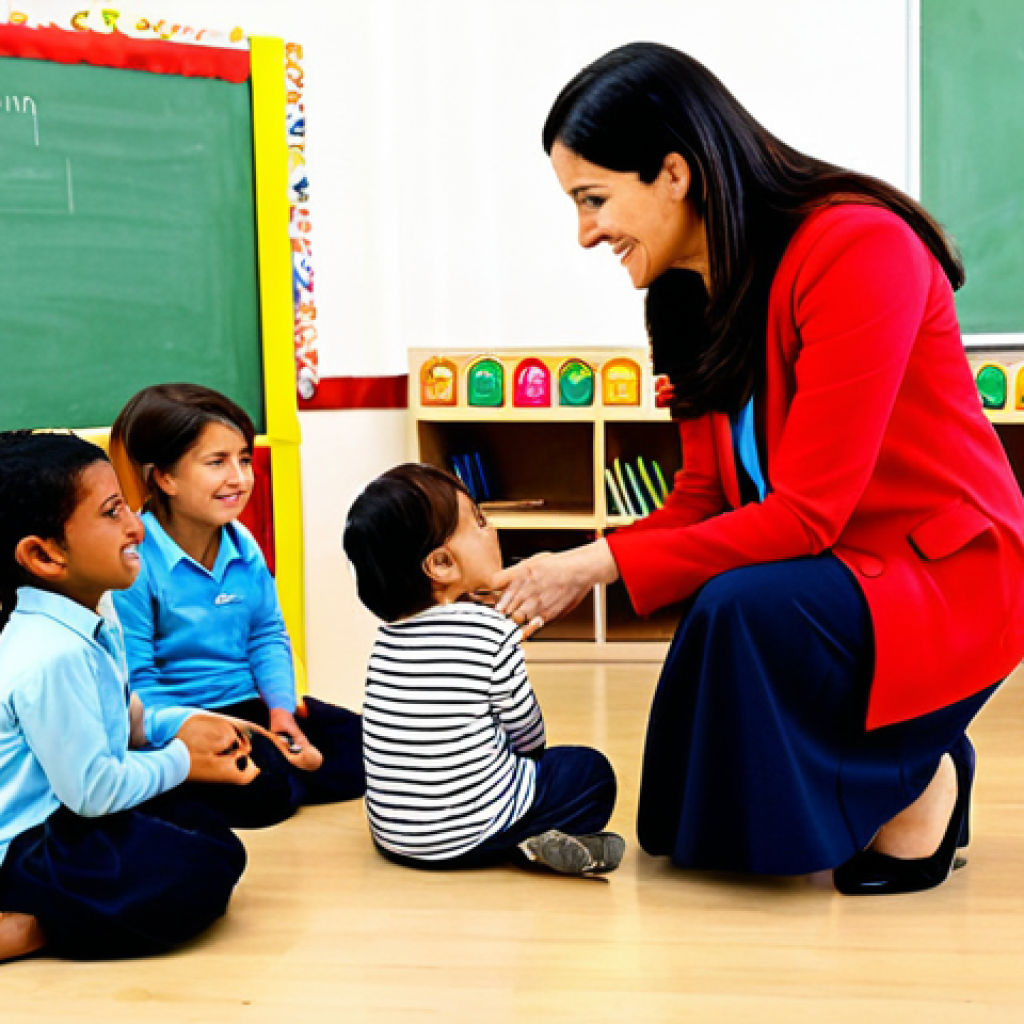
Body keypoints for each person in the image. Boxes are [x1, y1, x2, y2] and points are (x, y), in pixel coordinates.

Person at [492, 42, 1024, 894]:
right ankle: (899, 771)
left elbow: (809, 510)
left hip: (944, 570)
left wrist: (596, 566)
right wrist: (569, 566)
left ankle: (921, 774)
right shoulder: (685, 296)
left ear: (674, 172)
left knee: (745, 603)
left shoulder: (858, 247)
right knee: (722, 598)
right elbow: (702, 499)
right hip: (847, 568)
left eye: (594, 200)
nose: (586, 232)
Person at [0, 430, 252, 963]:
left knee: (208, 826)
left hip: (73, 815)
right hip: (29, 847)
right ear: (44, 555)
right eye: (112, 512)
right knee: (197, 870)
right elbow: (92, 791)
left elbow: (124, 715)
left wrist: (181, 726)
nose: (137, 525)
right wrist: (184, 761)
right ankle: (34, 925)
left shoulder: (95, 610)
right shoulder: (50, 655)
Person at [342, 463, 624, 876]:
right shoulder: (490, 629)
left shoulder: (386, 641)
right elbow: (528, 735)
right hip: (473, 831)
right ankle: (521, 840)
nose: (491, 530)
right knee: (590, 773)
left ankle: (517, 840)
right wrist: (530, 760)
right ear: (440, 564)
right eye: (478, 522)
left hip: (397, 839)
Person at [109, 383, 365, 829]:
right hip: (184, 722)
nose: (240, 477)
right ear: (165, 477)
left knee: (365, 744)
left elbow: (267, 635)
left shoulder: (243, 544)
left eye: (244, 459)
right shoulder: (135, 562)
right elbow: (138, 685)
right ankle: (274, 774)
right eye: (217, 463)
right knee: (265, 790)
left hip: (248, 703)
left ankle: (284, 769)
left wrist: (281, 710)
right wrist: (224, 731)